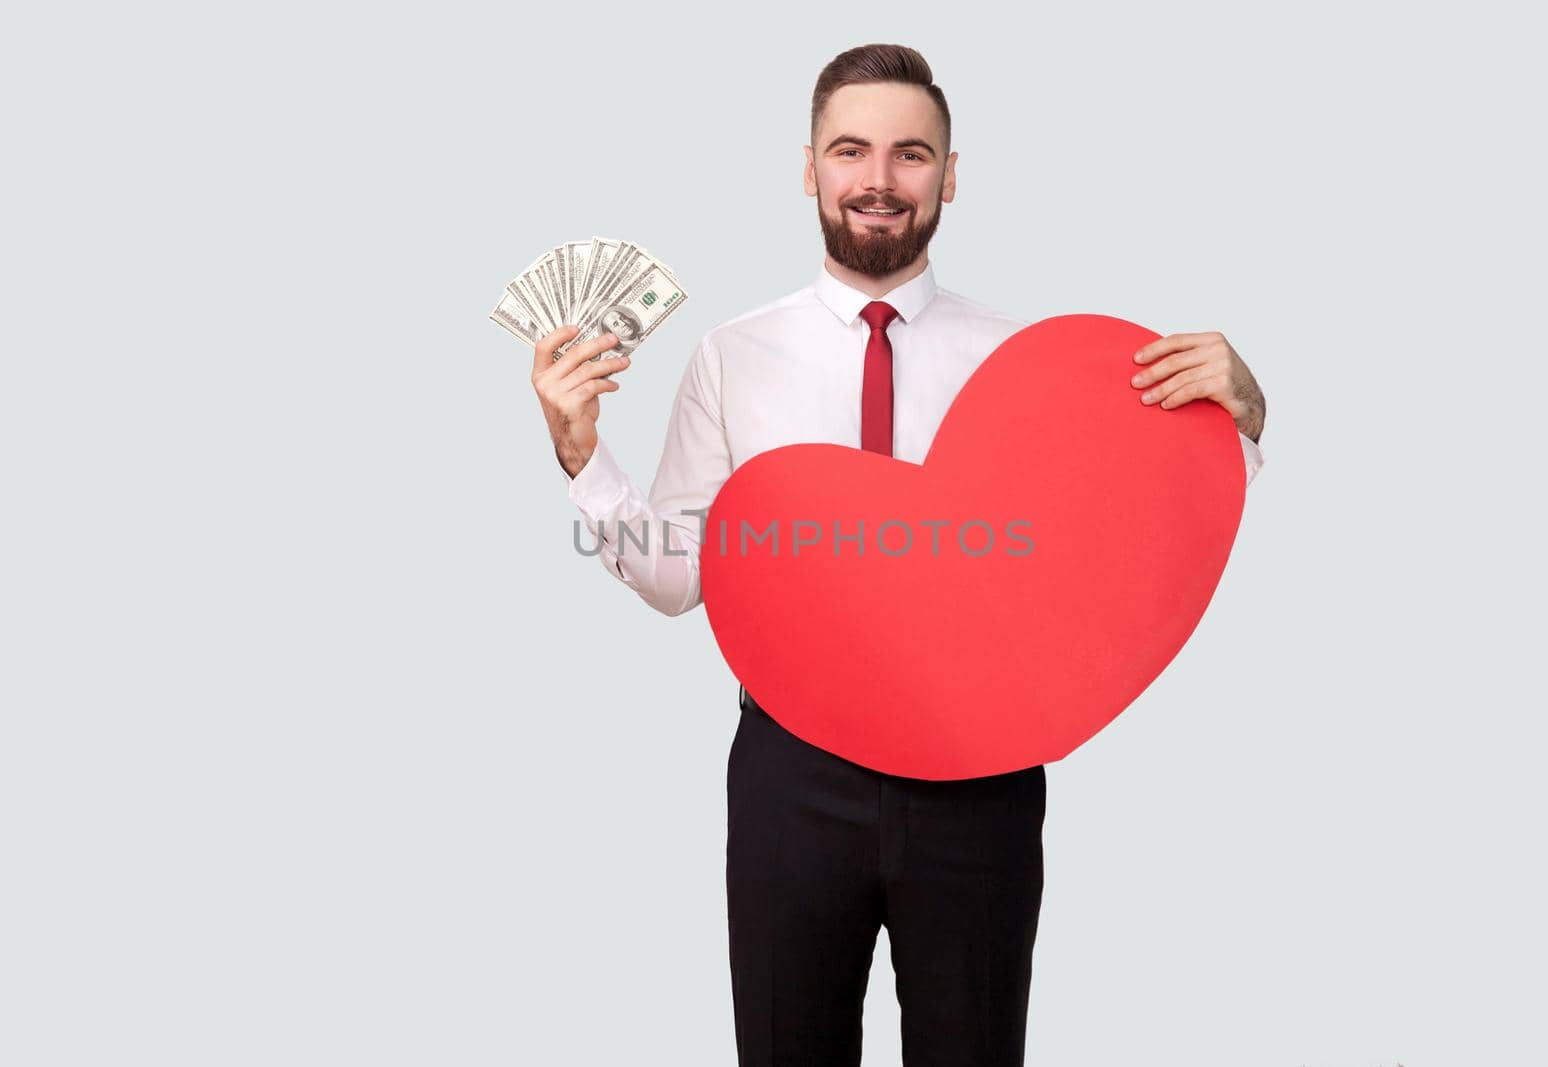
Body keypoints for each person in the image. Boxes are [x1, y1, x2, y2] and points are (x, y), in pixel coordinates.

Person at [528, 43, 1267, 1067]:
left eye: (910, 154)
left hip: (980, 774)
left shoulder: (1033, 362)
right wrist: (582, 456)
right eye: (850, 150)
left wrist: (1240, 421)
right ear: (809, 169)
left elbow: (1131, 530)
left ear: (950, 176)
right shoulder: (733, 357)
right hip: (793, 778)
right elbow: (677, 579)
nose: (878, 180)